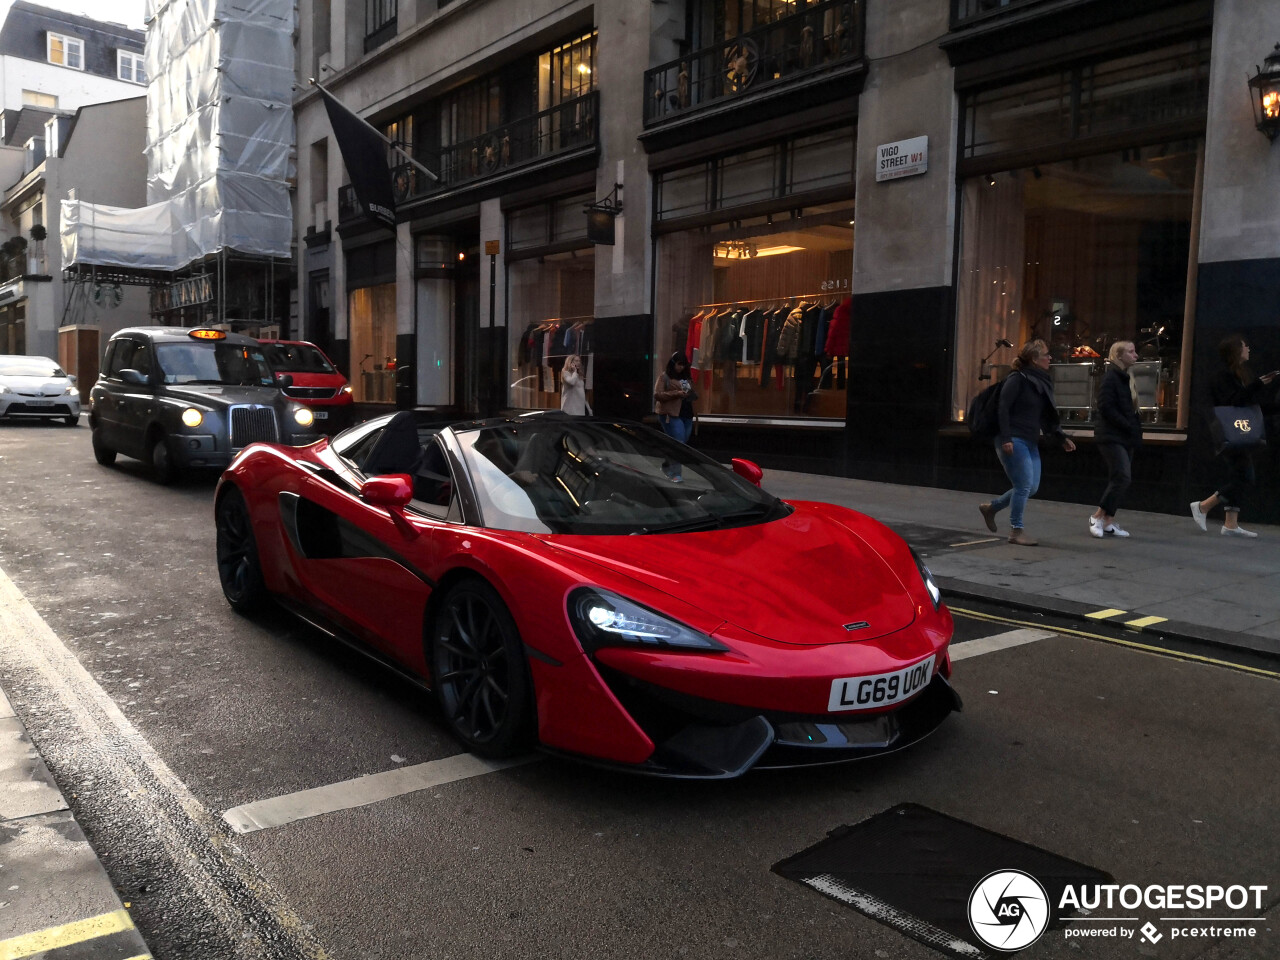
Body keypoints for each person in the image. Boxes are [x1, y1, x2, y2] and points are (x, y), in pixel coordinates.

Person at [977, 339, 1077, 546]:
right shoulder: (1018, 379)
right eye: (1046, 355)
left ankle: (992, 508)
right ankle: (1016, 531)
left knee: (1031, 487)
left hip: (1030, 440)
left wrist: (1061, 437)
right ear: (1034, 359)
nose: (1050, 358)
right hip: (1013, 438)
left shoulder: (1040, 381)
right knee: (1023, 485)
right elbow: (1002, 408)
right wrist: (1006, 438)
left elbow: (1045, 416)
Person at [1190, 334, 1279, 538]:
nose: (1248, 348)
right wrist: (1257, 385)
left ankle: (1230, 524)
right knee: (1246, 477)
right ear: (1236, 351)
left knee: (1238, 476)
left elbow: (1251, 406)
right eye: (1244, 346)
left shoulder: (1240, 374)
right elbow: (1234, 401)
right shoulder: (1223, 376)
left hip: (1240, 430)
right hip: (1230, 432)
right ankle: (1203, 506)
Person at [1089, 340, 1143, 538]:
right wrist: (1128, 426)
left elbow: (1131, 410)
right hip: (1111, 435)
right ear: (1119, 356)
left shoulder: (1126, 377)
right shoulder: (1111, 377)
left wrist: (1135, 430)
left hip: (1124, 436)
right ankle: (1097, 516)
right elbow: (1105, 406)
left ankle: (1108, 521)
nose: (1135, 355)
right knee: (1122, 476)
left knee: (1120, 478)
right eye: (1131, 352)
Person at [654, 351, 695, 443]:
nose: (681, 367)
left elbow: (688, 391)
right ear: (673, 363)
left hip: (687, 413)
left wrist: (691, 394)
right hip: (672, 414)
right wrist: (677, 393)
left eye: (683, 365)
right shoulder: (664, 377)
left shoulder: (685, 377)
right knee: (680, 441)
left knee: (684, 442)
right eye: (679, 364)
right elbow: (657, 395)